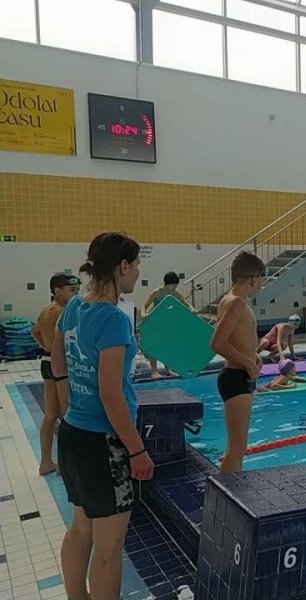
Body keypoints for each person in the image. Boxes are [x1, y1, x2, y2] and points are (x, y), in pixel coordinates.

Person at [50, 232, 155, 600]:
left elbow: (57, 363)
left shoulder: (75, 306)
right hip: (102, 443)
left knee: (81, 529)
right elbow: (111, 395)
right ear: (122, 266)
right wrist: (137, 450)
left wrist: (73, 408)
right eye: (137, 264)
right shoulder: (112, 319)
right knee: (109, 546)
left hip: (73, 433)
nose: (138, 272)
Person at [210, 251, 266, 475]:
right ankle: (223, 493)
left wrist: (254, 357)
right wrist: (248, 363)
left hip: (239, 377)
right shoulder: (237, 303)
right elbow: (217, 343)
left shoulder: (229, 300)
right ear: (253, 279)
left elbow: (236, 339)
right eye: (261, 280)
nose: (261, 284)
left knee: (238, 448)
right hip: (236, 378)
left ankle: (234, 490)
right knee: (236, 449)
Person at [31, 273, 81, 475]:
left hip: (46, 361)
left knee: (50, 415)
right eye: (72, 291)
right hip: (59, 366)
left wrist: (46, 347)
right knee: (67, 414)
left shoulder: (46, 310)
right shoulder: (62, 312)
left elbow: (34, 331)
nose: (77, 295)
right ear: (57, 291)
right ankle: (63, 463)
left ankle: (46, 462)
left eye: (78, 291)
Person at [141, 271, 194, 377]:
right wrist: (143, 314)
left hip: (167, 322)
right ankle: (154, 371)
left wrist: (191, 309)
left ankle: (168, 370)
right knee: (154, 346)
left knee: (167, 345)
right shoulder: (157, 292)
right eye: (173, 285)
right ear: (167, 284)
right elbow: (144, 305)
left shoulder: (175, 292)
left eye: (176, 285)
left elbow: (185, 302)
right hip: (155, 321)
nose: (175, 287)